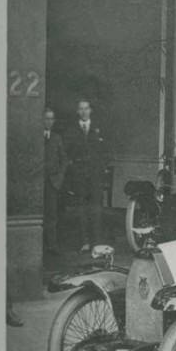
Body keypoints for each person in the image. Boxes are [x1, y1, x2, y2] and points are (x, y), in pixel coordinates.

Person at [63, 99, 110, 252]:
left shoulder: (99, 128)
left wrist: (101, 166)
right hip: (80, 175)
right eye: (81, 109)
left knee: (96, 208)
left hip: (96, 175)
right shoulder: (71, 130)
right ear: (77, 111)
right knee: (82, 208)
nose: (84, 111)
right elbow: (66, 152)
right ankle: (85, 240)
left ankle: (96, 241)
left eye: (86, 108)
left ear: (90, 110)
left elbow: (107, 150)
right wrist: (74, 167)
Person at [43, 108, 68, 254]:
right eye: (46, 118)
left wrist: (59, 178)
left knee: (52, 215)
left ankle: (51, 246)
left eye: (51, 119)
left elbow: (64, 159)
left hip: (52, 182)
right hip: (36, 183)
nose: (49, 122)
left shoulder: (57, 138)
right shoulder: (34, 136)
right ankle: (38, 245)